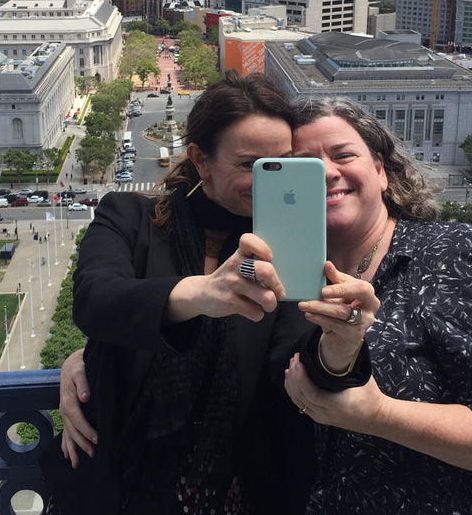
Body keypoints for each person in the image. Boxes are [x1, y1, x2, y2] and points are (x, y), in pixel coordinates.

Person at [45, 72, 376, 514]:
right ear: (200, 160)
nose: (267, 182)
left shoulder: (293, 249)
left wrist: (341, 344)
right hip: (115, 484)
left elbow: (296, 364)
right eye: (249, 165)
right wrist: (200, 294)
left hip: (243, 495)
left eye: (282, 163)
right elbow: (94, 299)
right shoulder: (130, 216)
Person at [282, 96, 472, 513]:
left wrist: (377, 414)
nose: (326, 172)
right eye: (303, 165)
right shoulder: (288, 278)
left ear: (380, 170)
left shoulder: (453, 254)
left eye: (344, 155)